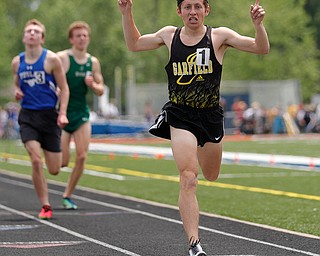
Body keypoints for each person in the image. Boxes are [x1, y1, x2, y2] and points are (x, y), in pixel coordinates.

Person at [118, 0, 269, 255]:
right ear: (179, 11)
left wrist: (258, 25)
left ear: (206, 10)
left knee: (211, 174)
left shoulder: (220, 36)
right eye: (187, 7)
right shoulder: (169, 35)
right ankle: (194, 243)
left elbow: (261, 48)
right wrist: (127, 13)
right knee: (188, 177)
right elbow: (134, 44)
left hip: (209, 116)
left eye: (198, 6)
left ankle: (203, 157)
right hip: (180, 115)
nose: (192, 12)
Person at [11, 19, 69, 220]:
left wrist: (62, 113)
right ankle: (45, 205)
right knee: (36, 161)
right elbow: (17, 85)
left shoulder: (52, 60)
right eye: (29, 31)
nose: (32, 33)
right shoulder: (17, 62)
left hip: (49, 116)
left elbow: (65, 89)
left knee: (54, 169)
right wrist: (17, 91)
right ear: (24, 36)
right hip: (28, 116)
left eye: (36, 31)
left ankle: (57, 149)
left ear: (42, 38)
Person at [57, 21, 104, 210]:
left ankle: (67, 195)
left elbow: (101, 90)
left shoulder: (93, 62)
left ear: (88, 38)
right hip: (62, 113)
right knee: (62, 162)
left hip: (81, 113)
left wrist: (93, 85)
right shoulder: (62, 58)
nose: (82, 38)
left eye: (85, 35)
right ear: (71, 39)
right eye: (78, 35)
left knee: (82, 157)